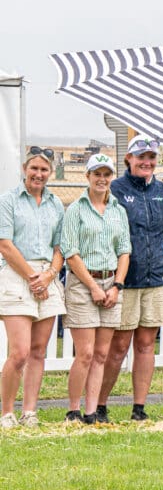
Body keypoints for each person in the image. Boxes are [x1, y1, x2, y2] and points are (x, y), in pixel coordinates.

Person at [96, 135, 163, 423]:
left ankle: (139, 407)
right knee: (118, 346)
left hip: (156, 278)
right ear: (128, 159)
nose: (146, 162)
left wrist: (157, 255)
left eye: (151, 157)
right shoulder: (115, 189)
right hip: (125, 279)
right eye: (141, 157)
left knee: (145, 344)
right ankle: (100, 404)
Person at [59, 154, 130, 424]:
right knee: (85, 353)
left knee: (102, 353)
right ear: (87, 176)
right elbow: (70, 252)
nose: (102, 179)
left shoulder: (118, 210)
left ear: (112, 177)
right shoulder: (76, 209)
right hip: (82, 283)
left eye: (106, 174)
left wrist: (116, 286)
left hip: (110, 282)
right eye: (96, 174)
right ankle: (73, 410)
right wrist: (93, 286)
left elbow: (124, 251)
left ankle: (92, 412)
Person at [0, 147, 66, 428]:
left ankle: (29, 411)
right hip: (18, 275)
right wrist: (32, 277)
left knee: (39, 351)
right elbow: (4, 244)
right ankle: (6, 412)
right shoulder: (8, 201)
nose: (39, 174)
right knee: (20, 352)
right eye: (34, 169)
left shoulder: (55, 204)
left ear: (50, 173)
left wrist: (49, 275)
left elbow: (60, 246)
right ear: (25, 170)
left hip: (47, 276)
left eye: (44, 170)